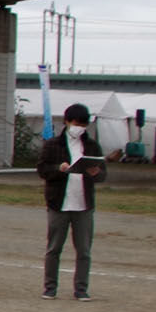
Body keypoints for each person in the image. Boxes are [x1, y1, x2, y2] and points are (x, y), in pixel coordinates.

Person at [38, 103, 114, 300]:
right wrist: (58, 168)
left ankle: (81, 289)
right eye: (75, 123)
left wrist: (96, 173)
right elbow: (43, 170)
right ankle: (50, 287)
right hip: (59, 203)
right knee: (54, 248)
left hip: (83, 205)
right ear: (66, 121)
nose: (78, 127)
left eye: (82, 124)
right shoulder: (53, 144)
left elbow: (102, 174)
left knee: (84, 250)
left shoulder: (91, 146)